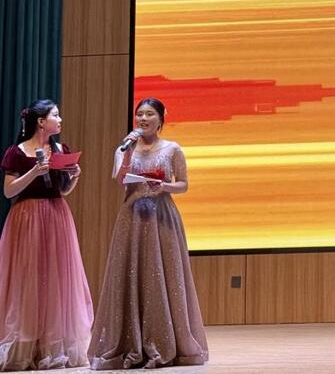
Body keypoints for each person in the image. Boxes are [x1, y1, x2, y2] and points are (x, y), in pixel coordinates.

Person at [88, 98, 208, 369]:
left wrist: (163, 186)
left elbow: (183, 184)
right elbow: (119, 179)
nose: (143, 119)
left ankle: (165, 341)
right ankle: (129, 342)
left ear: (161, 118)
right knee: (130, 274)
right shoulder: (124, 147)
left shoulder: (172, 149)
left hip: (162, 215)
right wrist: (127, 152)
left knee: (163, 274)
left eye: (149, 114)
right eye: (139, 114)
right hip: (132, 216)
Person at [0, 99, 94, 370]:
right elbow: (9, 191)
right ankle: (25, 345)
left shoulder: (60, 149)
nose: (60, 119)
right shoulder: (17, 152)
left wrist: (74, 176)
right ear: (41, 122)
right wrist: (34, 171)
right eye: (55, 115)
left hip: (56, 216)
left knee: (55, 277)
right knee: (28, 277)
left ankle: (52, 346)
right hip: (27, 217)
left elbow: (61, 191)